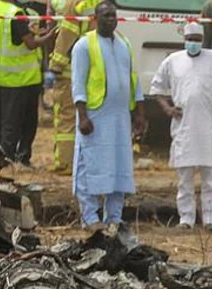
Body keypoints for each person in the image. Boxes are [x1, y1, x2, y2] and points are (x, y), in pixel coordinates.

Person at [150, 22, 212, 231]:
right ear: (184, 40)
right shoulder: (173, 61)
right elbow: (157, 88)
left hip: (208, 125)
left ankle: (211, 220)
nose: (193, 43)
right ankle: (186, 219)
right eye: (190, 39)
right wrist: (168, 109)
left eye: (197, 40)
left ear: (202, 40)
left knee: (210, 178)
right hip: (183, 127)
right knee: (184, 179)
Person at [71, 1, 146, 233]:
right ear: (95, 18)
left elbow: (133, 80)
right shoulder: (84, 45)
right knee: (89, 166)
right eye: (105, 16)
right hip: (95, 117)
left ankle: (114, 217)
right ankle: (89, 217)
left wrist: (139, 113)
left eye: (113, 15)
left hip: (120, 119)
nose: (111, 20)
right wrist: (82, 116)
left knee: (119, 166)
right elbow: (78, 84)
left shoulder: (124, 44)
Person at [0, 0, 55, 164]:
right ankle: (13, 158)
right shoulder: (15, 14)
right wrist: (49, 37)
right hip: (21, 79)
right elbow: (30, 44)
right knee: (21, 123)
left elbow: (13, 35)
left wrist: (30, 30)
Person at [48, 0, 96, 173]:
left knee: (66, 117)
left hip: (71, 70)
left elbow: (67, 34)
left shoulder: (74, 3)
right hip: (94, 71)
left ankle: (65, 162)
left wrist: (56, 65)